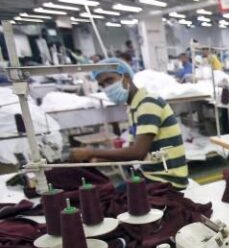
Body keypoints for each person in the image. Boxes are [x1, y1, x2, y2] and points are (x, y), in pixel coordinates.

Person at [70, 58, 188, 189]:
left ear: (126, 78)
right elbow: (132, 150)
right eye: (102, 85)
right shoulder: (134, 108)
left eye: (109, 80)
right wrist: (99, 159)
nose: (107, 88)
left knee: (106, 196)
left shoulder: (148, 103)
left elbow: (138, 153)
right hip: (152, 175)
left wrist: (91, 152)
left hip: (168, 181)